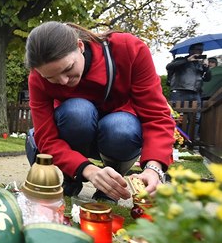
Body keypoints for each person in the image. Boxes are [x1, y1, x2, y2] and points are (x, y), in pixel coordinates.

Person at [24, 21, 175, 202]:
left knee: (121, 126)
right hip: (75, 129)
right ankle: (72, 175)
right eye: (51, 78)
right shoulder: (37, 78)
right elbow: (46, 138)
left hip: (119, 135)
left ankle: (112, 184)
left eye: (68, 69)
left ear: (80, 46)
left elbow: (157, 116)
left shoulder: (128, 49)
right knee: (77, 112)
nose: (63, 81)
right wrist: (88, 170)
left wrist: (154, 168)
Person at [166, 43, 211, 141]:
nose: (199, 51)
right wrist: (187, 60)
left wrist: (206, 67)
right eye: (197, 49)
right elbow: (169, 66)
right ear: (190, 51)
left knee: (196, 118)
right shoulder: (180, 60)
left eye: (201, 50)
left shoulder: (201, 63)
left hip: (196, 93)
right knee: (174, 116)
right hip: (179, 91)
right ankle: (171, 139)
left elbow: (208, 78)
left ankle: (191, 140)